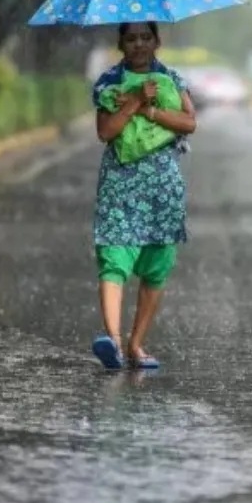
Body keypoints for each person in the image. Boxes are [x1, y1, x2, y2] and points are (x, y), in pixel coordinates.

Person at [89, 21, 197, 371]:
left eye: (145, 38)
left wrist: (151, 109)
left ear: (157, 41)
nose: (138, 44)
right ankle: (114, 343)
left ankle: (137, 345)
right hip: (120, 183)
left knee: (156, 265)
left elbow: (189, 123)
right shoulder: (108, 83)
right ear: (120, 43)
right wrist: (133, 102)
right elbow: (106, 131)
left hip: (162, 186)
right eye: (131, 38)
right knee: (114, 256)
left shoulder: (171, 79)